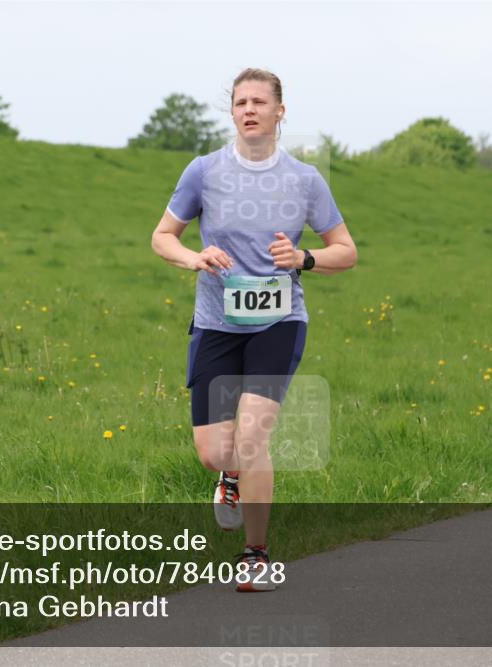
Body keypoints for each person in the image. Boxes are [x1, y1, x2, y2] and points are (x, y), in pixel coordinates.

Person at [151, 68, 357, 592]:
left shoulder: (306, 180)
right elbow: (162, 237)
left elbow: (346, 251)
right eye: (240, 102)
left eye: (259, 102)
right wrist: (195, 257)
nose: (249, 110)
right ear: (233, 112)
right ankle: (229, 478)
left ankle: (256, 555)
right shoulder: (204, 172)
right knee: (216, 452)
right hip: (217, 322)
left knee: (252, 435)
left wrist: (305, 256)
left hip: (279, 321)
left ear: (279, 112)